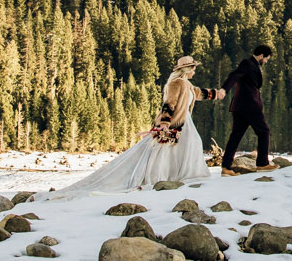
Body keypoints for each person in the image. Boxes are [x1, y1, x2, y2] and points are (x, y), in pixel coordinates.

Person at [63, 55, 221, 193]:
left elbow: (199, 93)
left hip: (186, 122)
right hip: (177, 122)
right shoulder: (176, 84)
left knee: (189, 146)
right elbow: (169, 104)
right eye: (193, 68)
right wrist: (165, 122)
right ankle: (168, 178)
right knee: (173, 150)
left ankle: (183, 177)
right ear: (187, 69)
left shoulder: (187, 84)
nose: (195, 71)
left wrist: (217, 93)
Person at [219, 43, 274, 173]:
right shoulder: (247, 63)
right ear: (261, 55)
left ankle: (226, 166)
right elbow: (234, 75)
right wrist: (224, 89)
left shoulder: (252, 65)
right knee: (264, 131)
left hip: (240, 106)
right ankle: (262, 163)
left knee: (236, 135)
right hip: (250, 105)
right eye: (266, 58)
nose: (266, 61)